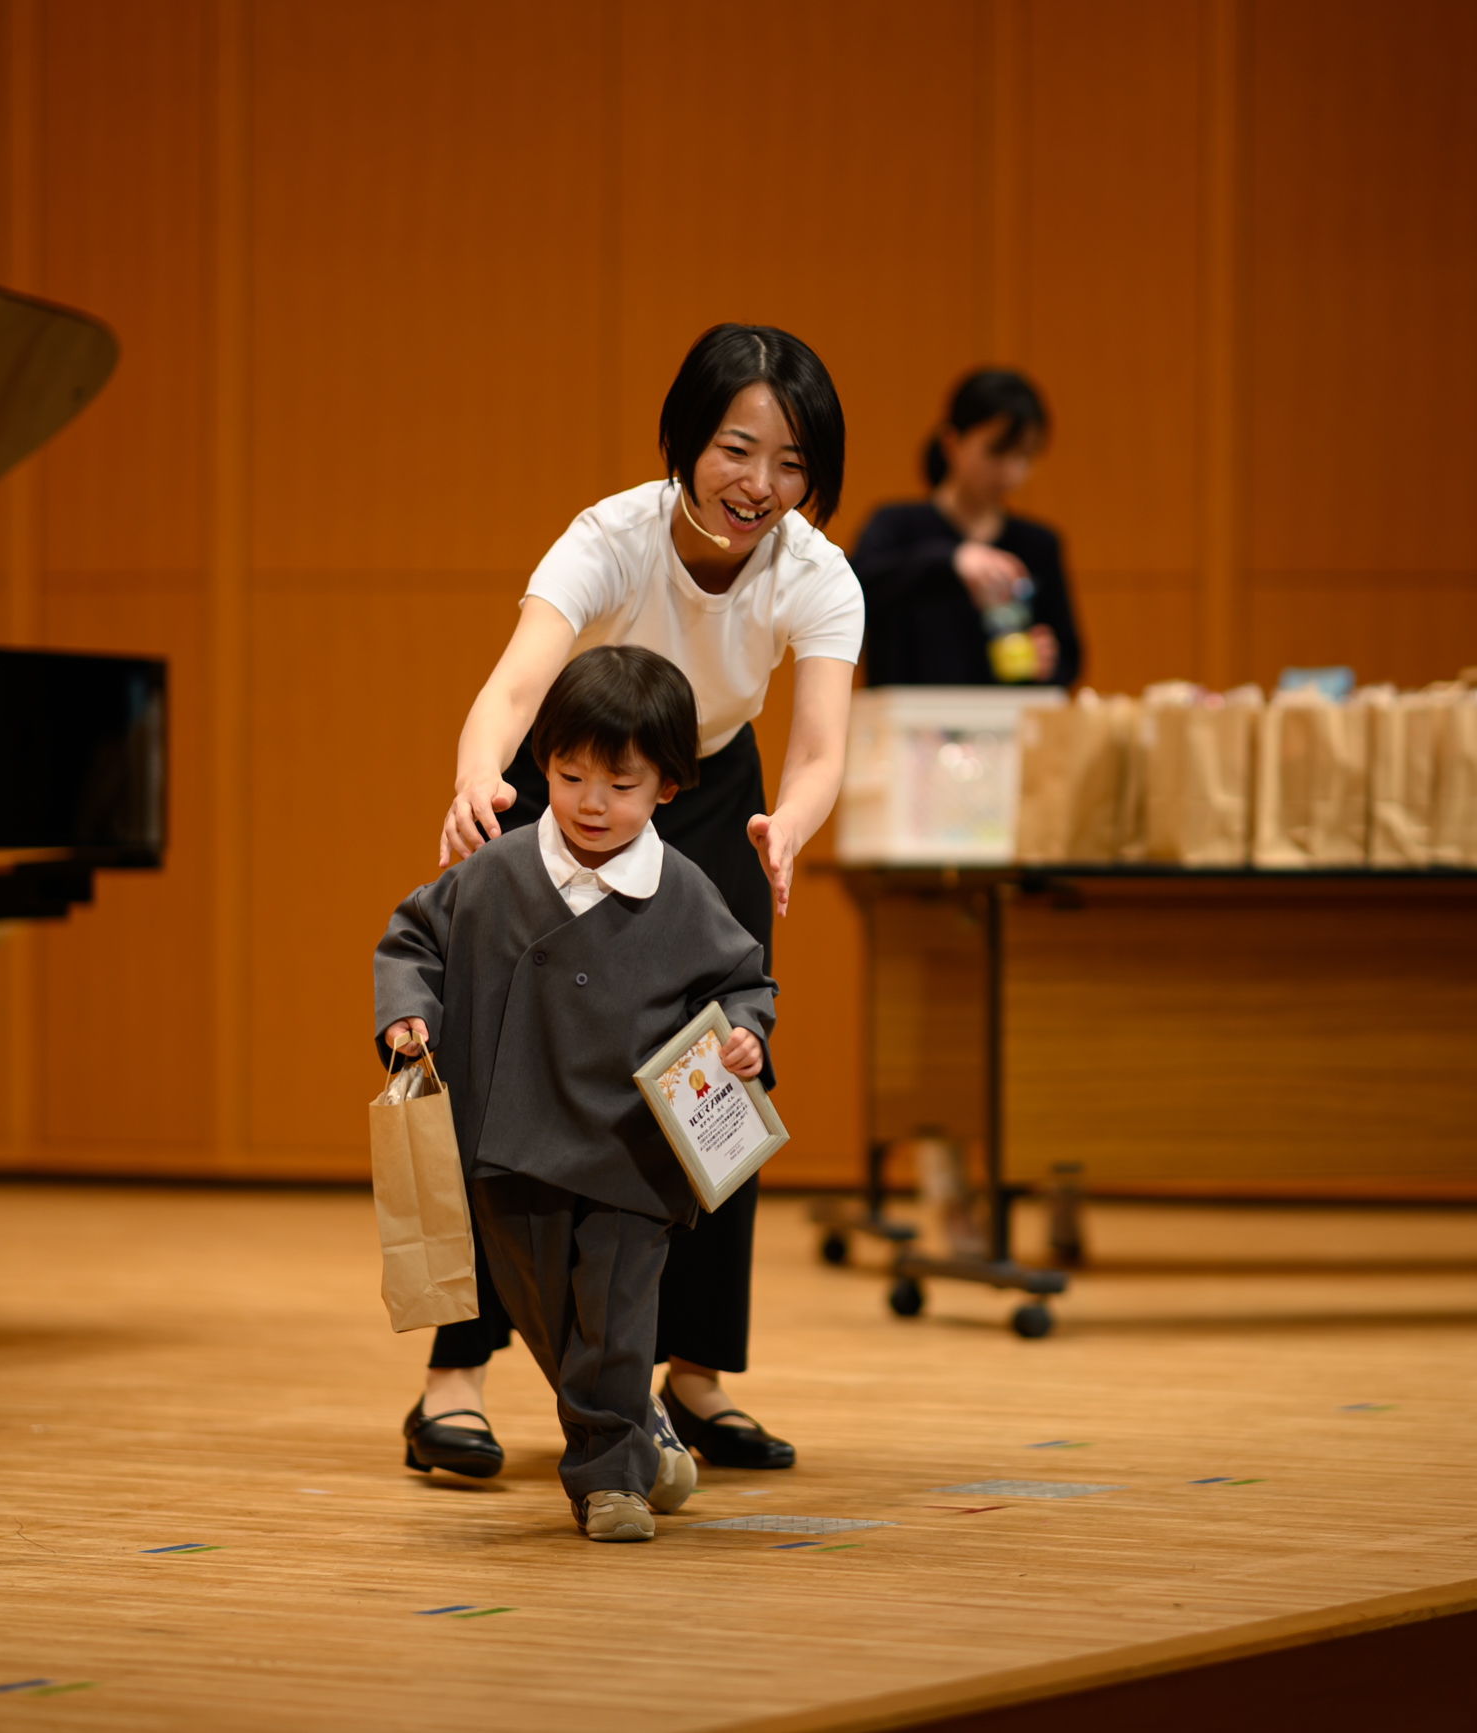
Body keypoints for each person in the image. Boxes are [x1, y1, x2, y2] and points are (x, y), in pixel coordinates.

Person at [402, 323, 861, 1482]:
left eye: (792, 462)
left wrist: (786, 831)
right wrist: (477, 776)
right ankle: (453, 1375)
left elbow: (817, 749)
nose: (760, 484)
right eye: (736, 448)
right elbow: (515, 679)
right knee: (496, 1064)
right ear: (685, 440)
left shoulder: (817, 573)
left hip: (716, 802)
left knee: (726, 1066)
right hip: (574, 791)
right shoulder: (607, 536)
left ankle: (688, 1370)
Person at [377, 647, 777, 1542]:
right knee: (550, 1318)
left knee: (620, 1310)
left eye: (623, 785)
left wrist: (747, 1032)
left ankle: (611, 1482)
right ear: (542, 766)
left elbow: (744, 979)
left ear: (669, 788)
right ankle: (635, 1431)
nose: (594, 803)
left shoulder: (684, 891)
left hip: (634, 1152)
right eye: (570, 776)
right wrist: (407, 1018)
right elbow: (410, 942)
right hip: (507, 1145)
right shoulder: (495, 871)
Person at [852, 368, 1082, 688]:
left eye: (1025, 456)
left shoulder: (1038, 544)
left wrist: (1047, 664)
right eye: (997, 451)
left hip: (1007, 729)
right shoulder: (896, 526)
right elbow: (854, 591)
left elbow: (1068, 660)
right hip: (907, 729)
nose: (1011, 473)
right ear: (953, 442)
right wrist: (950, 560)